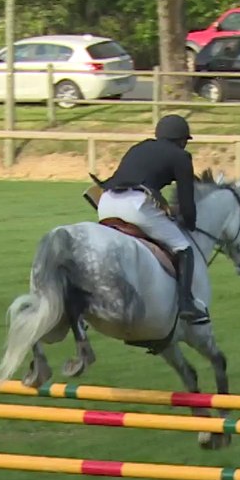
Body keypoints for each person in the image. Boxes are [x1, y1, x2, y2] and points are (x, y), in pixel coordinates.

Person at [97, 113, 209, 324]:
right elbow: (187, 202)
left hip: (106, 202)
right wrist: (190, 223)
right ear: (182, 140)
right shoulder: (181, 157)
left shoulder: (139, 147)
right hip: (136, 206)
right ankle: (186, 303)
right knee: (184, 248)